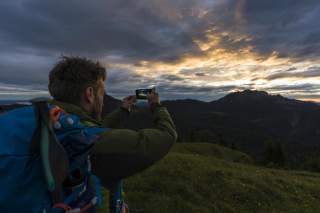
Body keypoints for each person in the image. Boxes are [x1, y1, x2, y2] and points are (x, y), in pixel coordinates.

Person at [47, 56, 178, 212]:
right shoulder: (83, 140)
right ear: (89, 94)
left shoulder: (52, 121)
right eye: (101, 93)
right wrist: (156, 106)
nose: (102, 101)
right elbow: (167, 136)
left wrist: (123, 110)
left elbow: (94, 129)